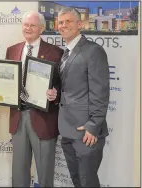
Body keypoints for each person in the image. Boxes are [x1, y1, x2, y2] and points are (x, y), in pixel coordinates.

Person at [0, 11, 63, 187]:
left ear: (42, 29)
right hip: (18, 116)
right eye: (25, 25)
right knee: (19, 171)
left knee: (45, 172)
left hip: (44, 119)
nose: (28, 28)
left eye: (32, 25)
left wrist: (55, 93)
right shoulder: (12, 50)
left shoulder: (56, 52)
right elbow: (7, 80)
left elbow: (62, 85)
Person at [57, 7, 110, 187]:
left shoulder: (93, 51)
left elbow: (100, 92)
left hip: (86, 132)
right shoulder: (64, 53)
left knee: (88, 182)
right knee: (77, 182)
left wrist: (93, 126)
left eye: (68, 21)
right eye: (61, 22)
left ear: (79, 24)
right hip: (67, 130)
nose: (63, 26)